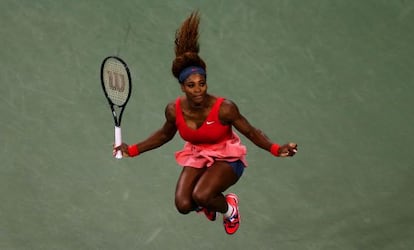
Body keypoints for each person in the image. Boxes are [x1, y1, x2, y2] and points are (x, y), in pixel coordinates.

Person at [114, 11, 298, 235]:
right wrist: (132, 149)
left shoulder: (224, 108)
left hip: (228, 159)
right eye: (191, 85)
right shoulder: (174, 110)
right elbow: (164, 135)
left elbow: (250, 131)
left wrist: (276, 148)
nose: (198, 89)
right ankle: (209, 203)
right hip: (198, 156)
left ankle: (229, 209)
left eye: (202, 83)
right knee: (183, 205)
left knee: (201, 195)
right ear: (183, 87)